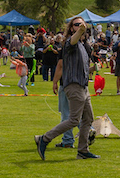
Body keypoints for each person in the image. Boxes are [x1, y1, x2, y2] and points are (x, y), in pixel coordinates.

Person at [35, 17, 98, 160]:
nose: (81, 26)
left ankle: (82, 151)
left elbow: (82, 68)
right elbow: (73, 40)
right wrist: (80, 30)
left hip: (83, 87)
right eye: (77, 25)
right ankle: (44, 139)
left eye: (82, 24)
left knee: (88, 119)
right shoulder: (70, 42)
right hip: (74, 86)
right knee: (74, 120)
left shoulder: (82, 45)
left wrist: (93, 68)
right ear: (71, 28)